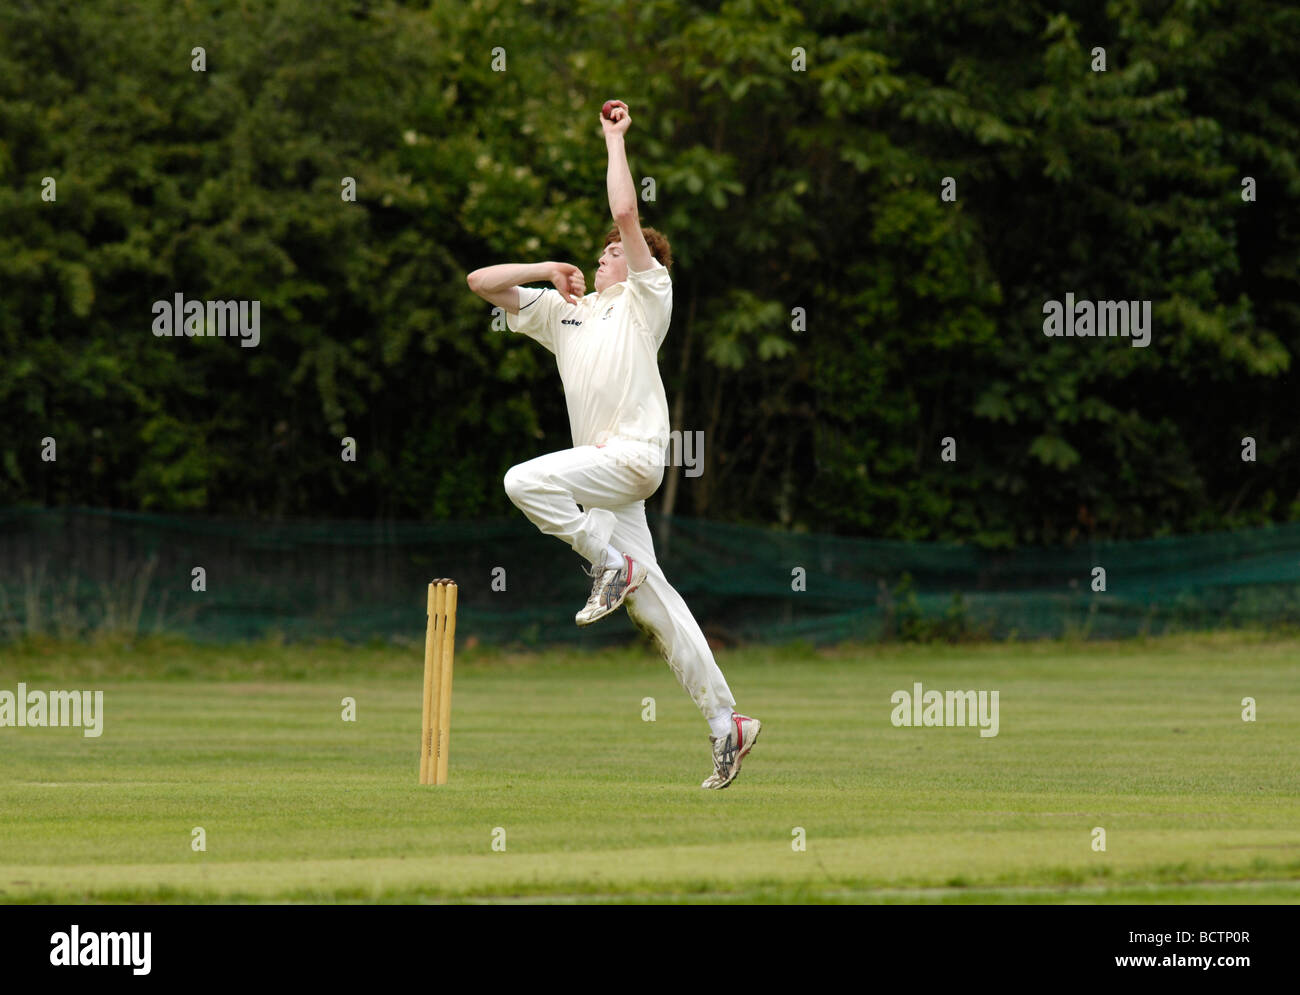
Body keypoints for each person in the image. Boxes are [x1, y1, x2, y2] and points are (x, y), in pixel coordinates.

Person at [465, 100, 761, 789]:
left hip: (631, 458)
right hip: (605, 476)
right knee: (654, 598)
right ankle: (727, 722)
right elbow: (481, 284)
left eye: (614, 254)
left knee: (520, 481)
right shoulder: (565, 313)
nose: (605, 255)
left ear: (639, 268)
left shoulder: (645, 300)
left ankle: (606, 561)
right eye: (599, 253)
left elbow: (628, 216)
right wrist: (546, 268)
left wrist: (614, 139)